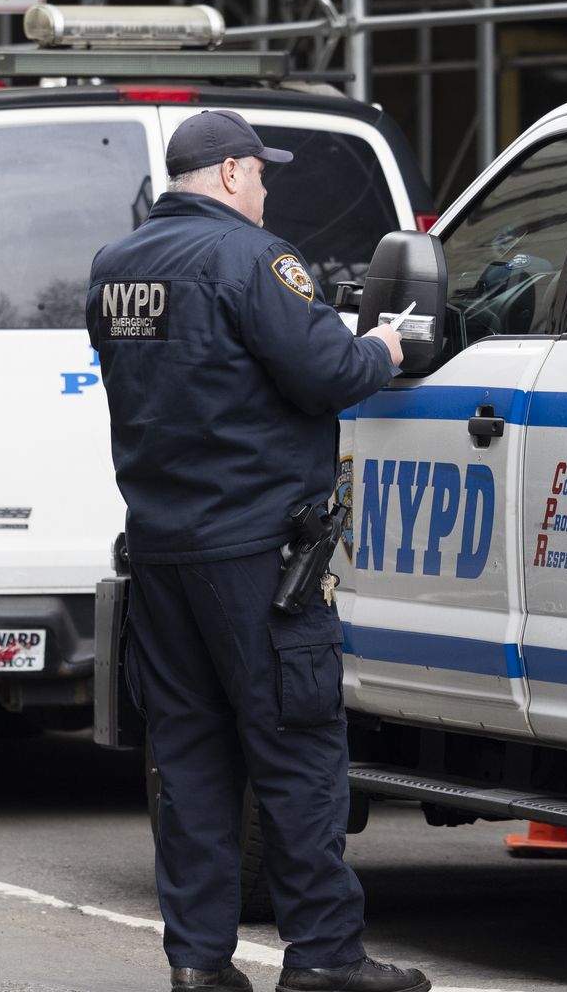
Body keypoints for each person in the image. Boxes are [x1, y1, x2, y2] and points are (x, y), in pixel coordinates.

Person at [86, 109, 427, 992]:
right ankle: (323, 956)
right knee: (297, 751)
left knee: (192, 762)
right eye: (262, 172)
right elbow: (327, 374)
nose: (267, 186)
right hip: (260, 557)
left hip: (162, 552)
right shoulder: (252, 257)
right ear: (232, 173)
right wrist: (383, 345)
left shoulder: (117, 267)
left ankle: (198, 964)